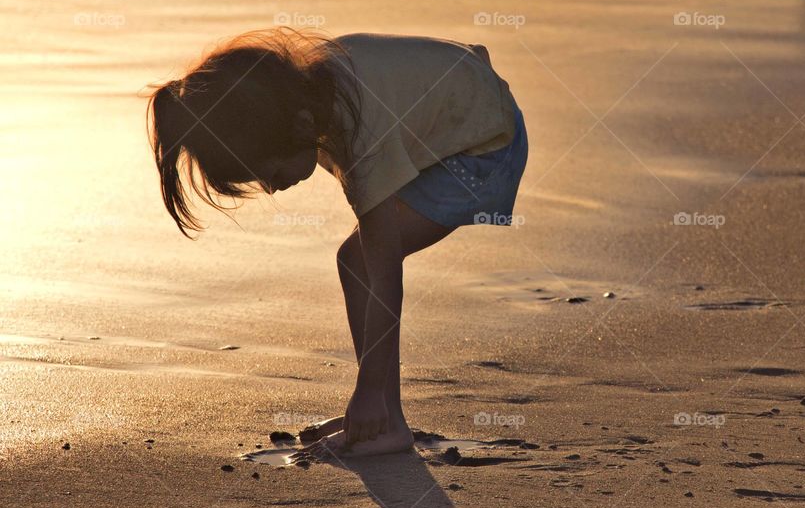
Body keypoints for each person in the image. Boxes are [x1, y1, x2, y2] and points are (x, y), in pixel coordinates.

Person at [146, 28, 528, 457]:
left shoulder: (359, 127)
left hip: (485, 149)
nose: (271, 188)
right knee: (355, 261)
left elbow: (386, 274)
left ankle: (385, 417)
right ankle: (383, 413)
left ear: (298, 126)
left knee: (362, 261)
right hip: (460, 122)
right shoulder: (308, 92)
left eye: (267, 171)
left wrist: (365, 389)